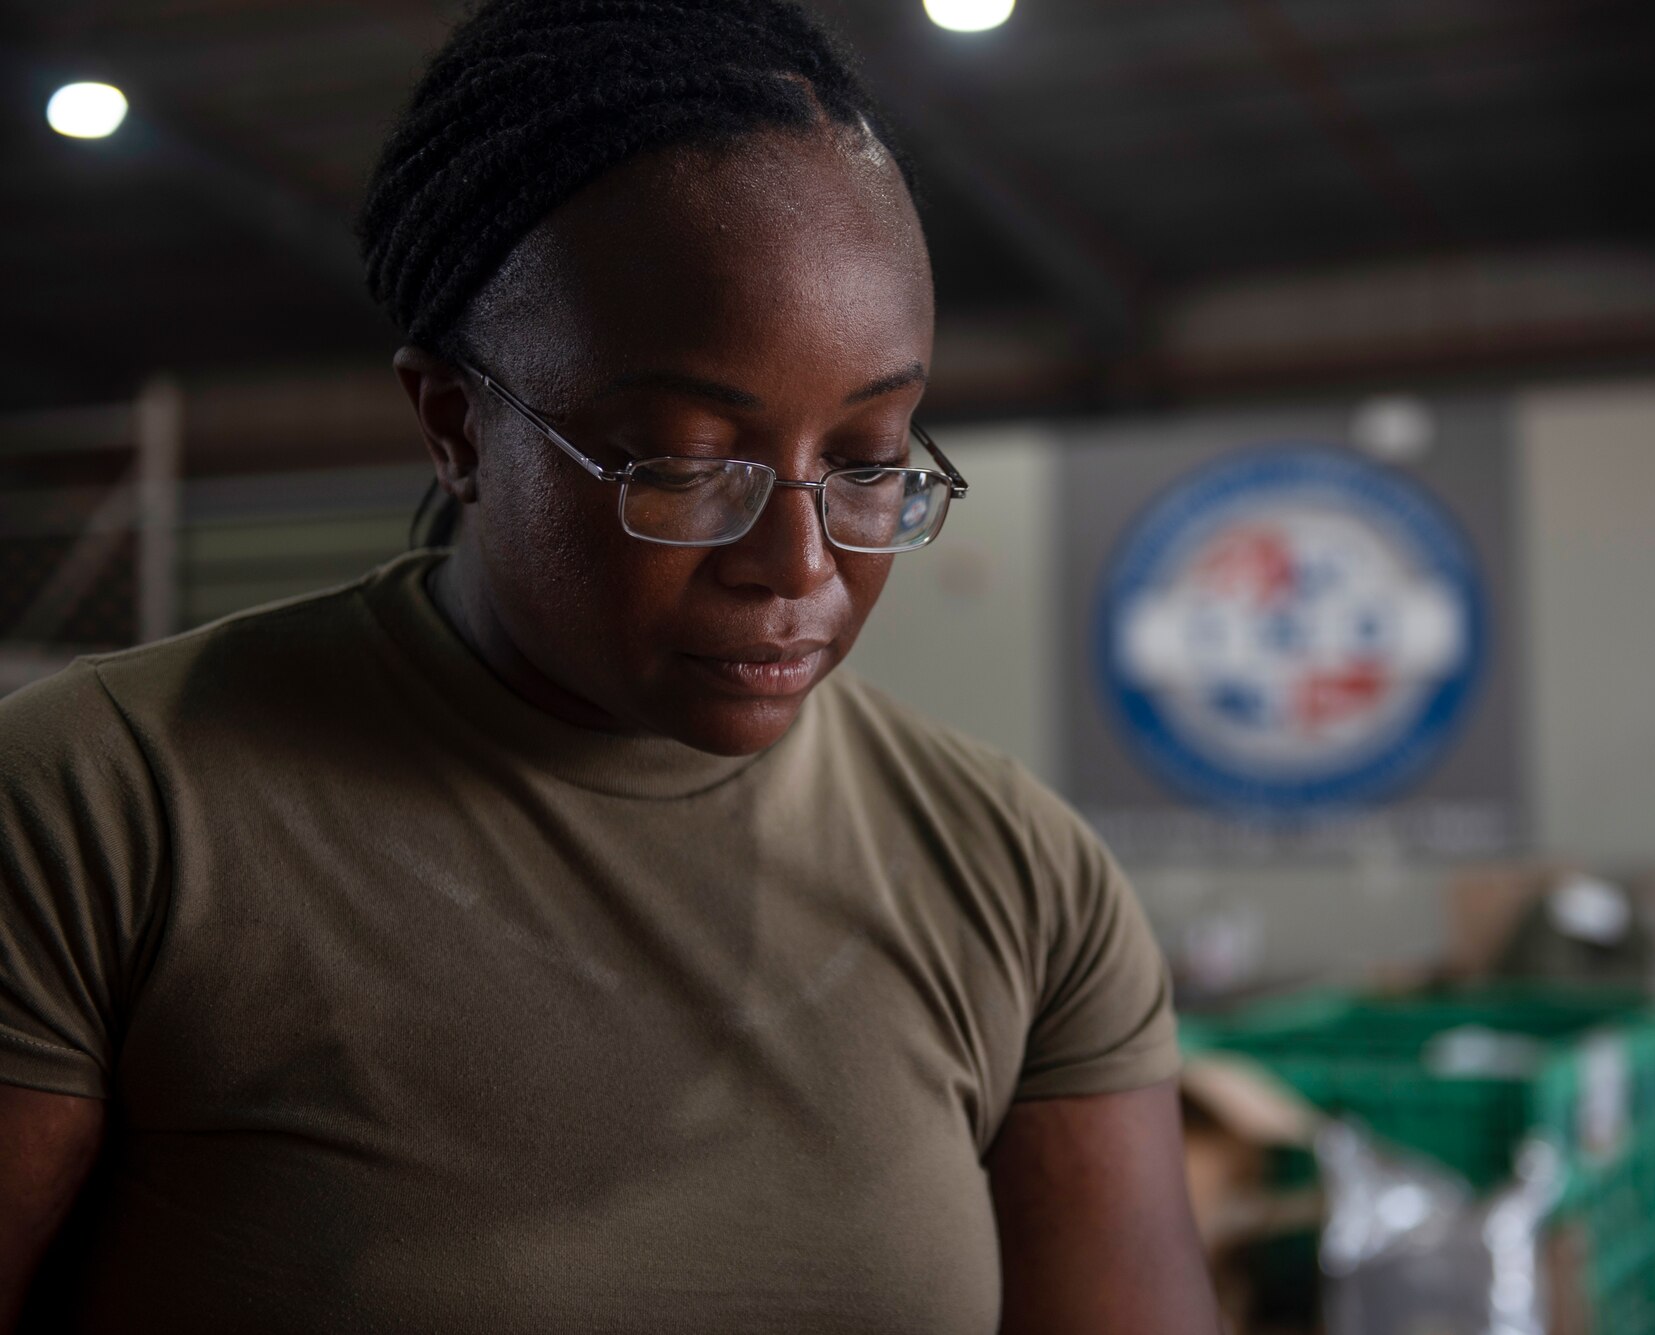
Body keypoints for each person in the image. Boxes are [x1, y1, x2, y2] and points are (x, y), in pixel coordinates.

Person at [0, 1, 1220, 1331]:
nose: (800, 565)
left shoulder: (1014, 878)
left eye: (870, 458)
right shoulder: (97, 815)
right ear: (455, 423)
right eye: (690, 464)